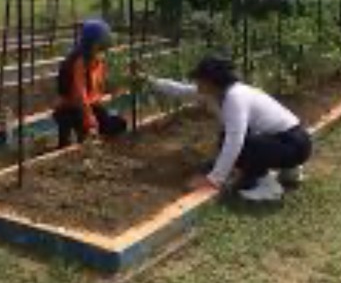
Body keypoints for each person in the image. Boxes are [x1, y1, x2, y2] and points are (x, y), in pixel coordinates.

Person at [143, 53, 312, 202]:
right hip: (295, 141)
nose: (196, 83)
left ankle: (269, 188)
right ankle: (290, 170)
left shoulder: (235, 97)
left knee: (230, 141)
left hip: (293, 146)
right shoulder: (219, 92)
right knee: (240, 139)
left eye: (199, 79)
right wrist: (148, 81)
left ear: (211, 80)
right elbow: (180, 90)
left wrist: (214, 180)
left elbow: (234, 141)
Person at [53, 19, 127, 148]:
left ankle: (85, 136)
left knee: (117, 125)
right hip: (69, 107)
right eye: (101, 42)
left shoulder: (97, 60)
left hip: (90, 103)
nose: (104, 46)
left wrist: (118, 86)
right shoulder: (79, 61)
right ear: (92, 42)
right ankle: (66, 145)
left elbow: (98, 85)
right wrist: (88, 117)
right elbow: (79, 95)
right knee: (77, 137)